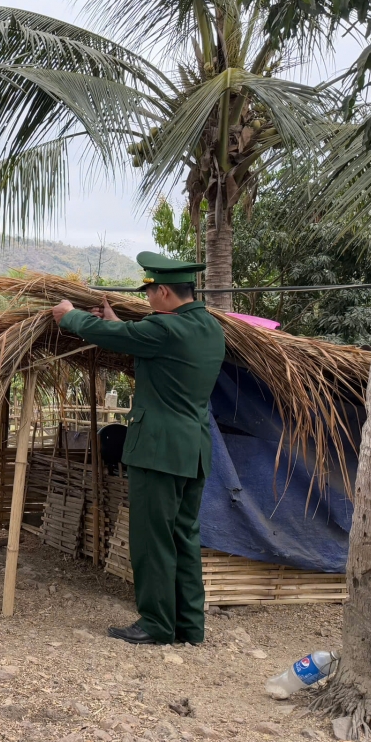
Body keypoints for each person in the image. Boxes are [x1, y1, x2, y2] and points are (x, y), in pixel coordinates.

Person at [51, 251, 225, 646]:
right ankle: (189, 626)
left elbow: (129, 338)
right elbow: (142, 344)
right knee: (184, 537)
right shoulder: (208, 329)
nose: (147, 301)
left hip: (159, 451)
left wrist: (70, 315)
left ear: (164, 291)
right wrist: (112, 319)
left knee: (152, 539)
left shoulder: (166, 329)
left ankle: (157, 624)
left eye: (150, 294)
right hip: (192, 451)